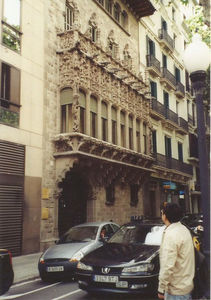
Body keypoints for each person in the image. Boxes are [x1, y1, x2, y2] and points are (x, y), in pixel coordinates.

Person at [158, 203, 195, 300]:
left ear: (165, 216)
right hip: (186, 287)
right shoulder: (183, 229)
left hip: (175, 292)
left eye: (162, 213)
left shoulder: (171, 234)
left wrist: (161, 288)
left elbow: (167, 265)